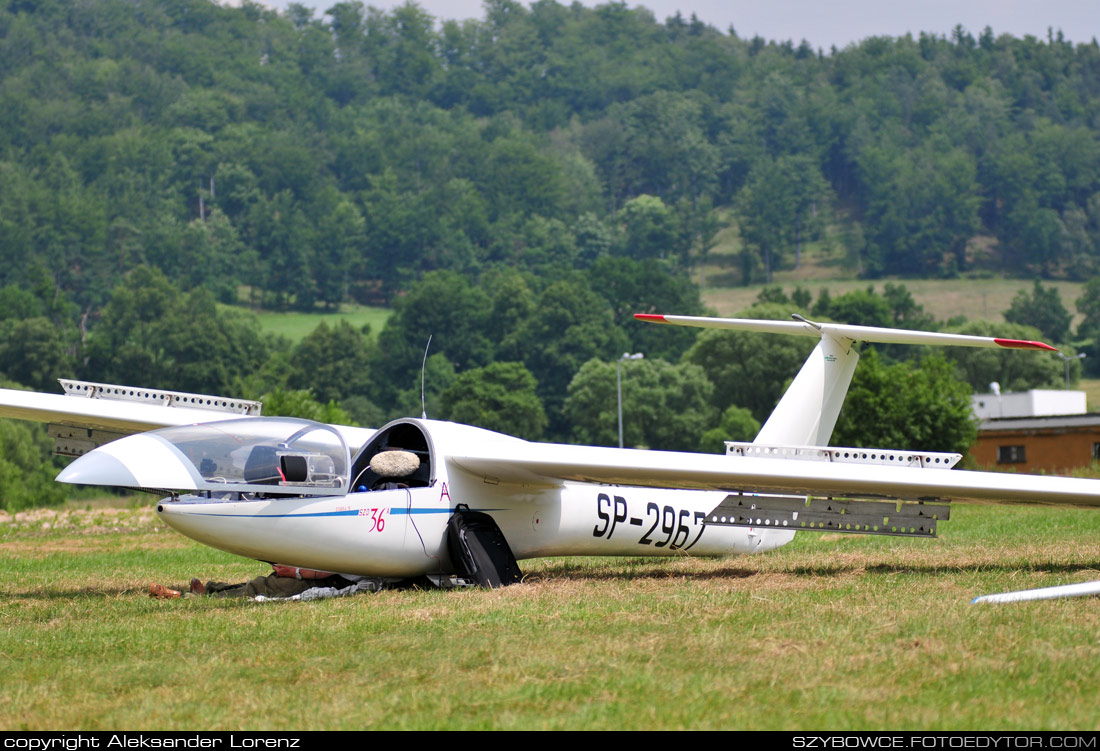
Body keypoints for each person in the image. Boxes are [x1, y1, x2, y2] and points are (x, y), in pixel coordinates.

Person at [148, 564, 363, 599]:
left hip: (336, 580)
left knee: (264, 587)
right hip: (334, 574)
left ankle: (185, 598)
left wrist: (296, 571)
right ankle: (212, 590)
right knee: (265, 582)